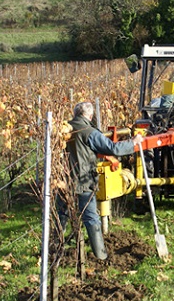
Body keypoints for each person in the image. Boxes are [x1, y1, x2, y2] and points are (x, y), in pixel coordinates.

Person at [57, 102, 144, 260]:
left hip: (63, 180)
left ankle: (54, 251)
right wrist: (134, 143)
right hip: (83, 181)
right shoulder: (89, 131)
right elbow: (113, 149)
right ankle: (101, 256)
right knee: (90, 217)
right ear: (89, 116)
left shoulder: (63, 129)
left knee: (61, 215)